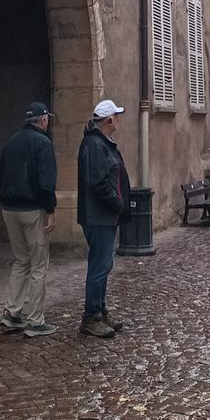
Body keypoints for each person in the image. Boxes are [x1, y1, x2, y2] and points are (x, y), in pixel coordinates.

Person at [0, 101, 59, 337]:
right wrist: (50, 210)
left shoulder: (11, 142)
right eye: (47, 119)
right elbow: (46, 182)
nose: (48, 122)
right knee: (39, 263)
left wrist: (5, 201)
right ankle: (35, 320)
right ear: (42, 120)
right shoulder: (43, 143)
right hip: (33, 209)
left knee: (21, 260)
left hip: (10, 209)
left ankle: (12, 313)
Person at [77, 99, 131, 338]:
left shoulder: (101, 143)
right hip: (98, 216)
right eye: (116, 116)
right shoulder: (94, 145)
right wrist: (117, 202)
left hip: (104, 215)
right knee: (99, 267)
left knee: (104, 265)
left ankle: (100, 310)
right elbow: (99, 183)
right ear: (108, 120)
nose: (118, 120)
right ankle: (91, 317)